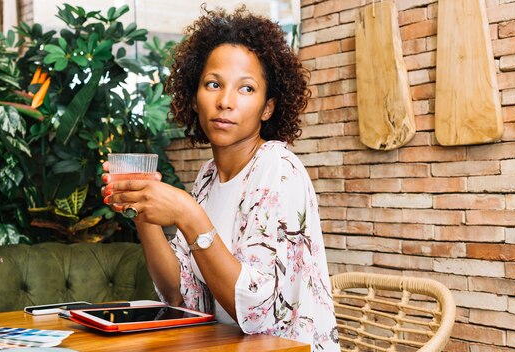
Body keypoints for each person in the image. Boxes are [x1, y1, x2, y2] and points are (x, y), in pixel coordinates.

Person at [102, 6, 340, 351]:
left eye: (245, 89)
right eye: (213, 84)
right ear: (195, 99)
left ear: (268, 107)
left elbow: (258, 314)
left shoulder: (279, 169)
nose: (225, 101)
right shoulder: (208, 177)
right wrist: (141, 210)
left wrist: (187, 214)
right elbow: (182, 295)